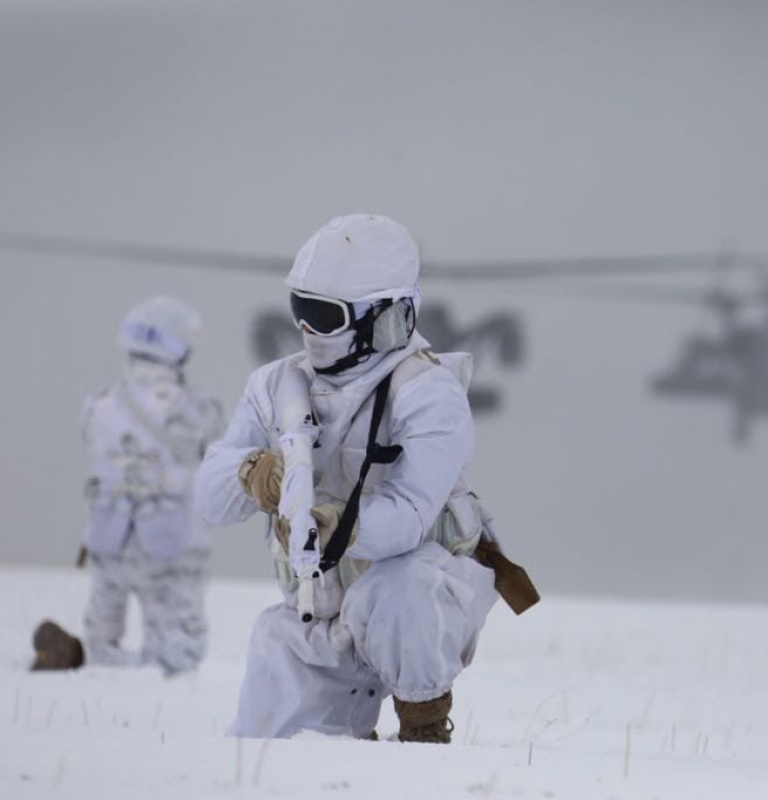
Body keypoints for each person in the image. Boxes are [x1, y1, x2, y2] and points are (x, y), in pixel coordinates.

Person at [193, 213, 536, 742]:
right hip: (315, 609)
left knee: (401, 588)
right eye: (300, 309)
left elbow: (410, 517)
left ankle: (423, 726)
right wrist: (253, 476)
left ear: (384, 316)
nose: (307, 330)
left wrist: (337, 527)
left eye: (324, 316)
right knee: (263, 756)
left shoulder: (427, 393)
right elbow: (208, 500)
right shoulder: (276, 386)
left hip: (420, 604)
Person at [31, 296, 224, 676]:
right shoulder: (196, 409)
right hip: (171, 542)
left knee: (103, 638)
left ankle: (90, 665)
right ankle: (139, 677)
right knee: (179, 656)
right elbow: (218, 460)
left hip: (108, 535)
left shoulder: (101, 403)